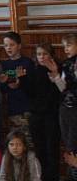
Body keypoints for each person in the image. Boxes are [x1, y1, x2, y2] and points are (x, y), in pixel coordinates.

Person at [29, 43, 60, 181]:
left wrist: (54, 74)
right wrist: (21, 81)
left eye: (45, 54)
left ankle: (52, 177)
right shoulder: (34, 69)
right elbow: (30, 94)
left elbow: (61, 91)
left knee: (51, 148)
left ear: (51, 55)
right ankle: (41, 177)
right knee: (39, 148)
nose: (42, 57)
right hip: (36, 115)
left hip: (52, 115)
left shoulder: (57, 68)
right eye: (39, 54)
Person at [49, 33, 77, 181]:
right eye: (64, 46)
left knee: (73, 143)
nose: (66, 48)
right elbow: (63, 88)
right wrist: (55, 75)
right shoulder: (66, 64)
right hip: (66, 107)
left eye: (69, 45)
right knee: (68, 143)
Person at [0, 33, 34, 147]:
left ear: (19, 46)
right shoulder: (4, 65)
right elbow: (2, 89)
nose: (8, 48)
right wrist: (5, 84)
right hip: (12, 108)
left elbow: (32, 87)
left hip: (26, 108)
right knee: (14, 143)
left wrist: (21, 82)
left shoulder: (27, 62)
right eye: (6, 45)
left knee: (28, 143)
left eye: (12, 45)